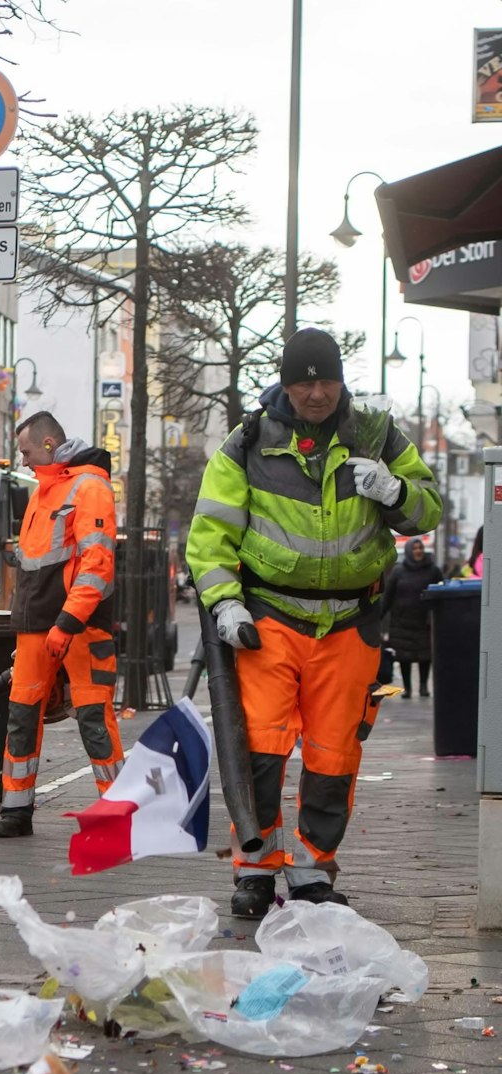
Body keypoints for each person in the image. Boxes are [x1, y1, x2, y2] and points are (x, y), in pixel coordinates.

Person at [186, 328, 440, 919]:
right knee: (260, 753)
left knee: (334, 756)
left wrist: (394, 488)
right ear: (286, 382)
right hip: (270, 619)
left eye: (325, 379)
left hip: (351, 622)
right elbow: (211, 533)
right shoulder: (248, 442)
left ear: (340, 379)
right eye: (304, 381)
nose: (316, 392)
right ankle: (255, 868)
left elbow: (427, 508)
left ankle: (311, 871)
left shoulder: (377, 436)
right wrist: (226, 602)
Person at [0, 411, 124, 838]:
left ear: (48, 444)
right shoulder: (47, 491)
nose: (23, 460)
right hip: (38, 627)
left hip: (78, 627)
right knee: (22, 714)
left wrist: (67, 622)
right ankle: (16, 808)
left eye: (26, 450)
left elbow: (96, 565)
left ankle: (117, 813)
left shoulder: (88, 487)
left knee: (93, 717)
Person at [383, 538, 444, 696]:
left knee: (425, 656)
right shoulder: (399, 571)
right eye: (415, 548)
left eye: (420, 548)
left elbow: (441, 594)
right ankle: (407, 688)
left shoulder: (433, 571)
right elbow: (388, 596)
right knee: (404, 657)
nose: (418, 551)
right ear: (410, 551)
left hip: (424, 622)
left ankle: (423, 686)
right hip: (401, 622)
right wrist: (378, 616)